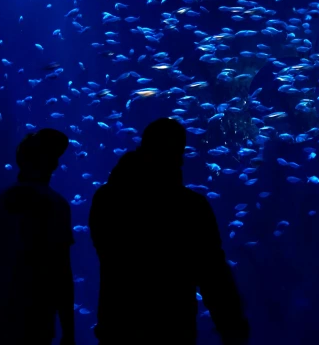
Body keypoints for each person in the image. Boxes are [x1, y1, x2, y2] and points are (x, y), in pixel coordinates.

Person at [89, 117, 250, 345]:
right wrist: (233, 328)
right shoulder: (190, 206)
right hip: (173, 329)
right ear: (179, 154)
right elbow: (213, 274)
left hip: (117, 325)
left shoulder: (106, 199)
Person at [0, 129, 75, 345]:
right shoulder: (56, 205)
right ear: (53, 164)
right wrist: (69, 330)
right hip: (33, 320)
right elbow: (62, 271)